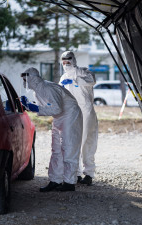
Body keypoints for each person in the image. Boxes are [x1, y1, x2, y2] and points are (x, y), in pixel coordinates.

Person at [20, 67, 83, 192]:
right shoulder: (37, 91)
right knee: (56, 149)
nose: (25, 82)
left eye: (26, 79)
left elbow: (56, 108)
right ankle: (55, 180)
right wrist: (31, 105)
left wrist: (36, 108)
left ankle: (69, 183)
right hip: (60, 117)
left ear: (33, 79)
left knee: (68, 147)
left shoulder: (47, 88)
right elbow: (49, 106)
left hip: (70, 115)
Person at [59, 51, 98, 186]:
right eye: (63, 60)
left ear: (74, 59)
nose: (66, 63)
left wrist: (75, 81)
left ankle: (89, 173)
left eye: (68, 60)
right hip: (71, 113)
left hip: (86, 110)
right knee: (72, 142)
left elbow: (92, 81)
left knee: (87, 141)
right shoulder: (63, 77)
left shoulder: (84, 72)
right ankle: (75, 173)